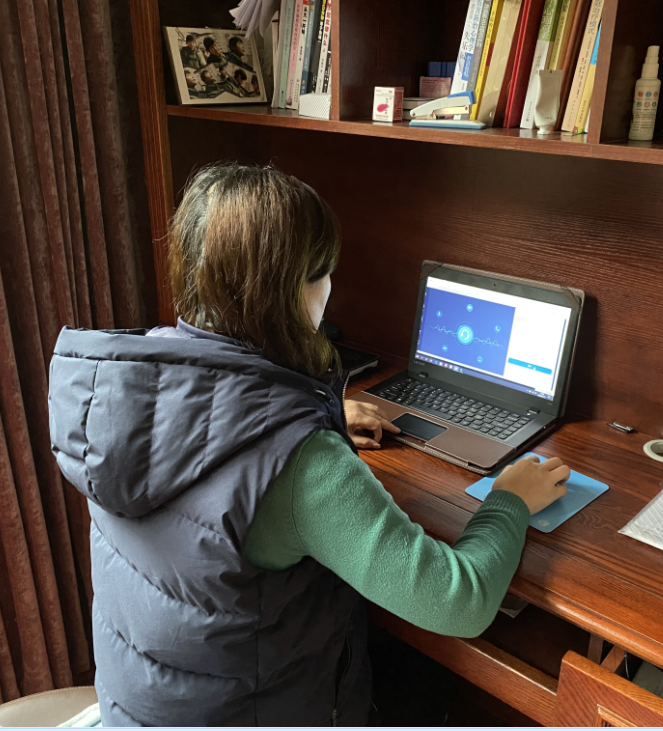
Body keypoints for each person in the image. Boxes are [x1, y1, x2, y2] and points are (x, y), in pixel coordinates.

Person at [48, 164, 570, 727]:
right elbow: (458, 603)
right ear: (287, 291)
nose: (331, 289)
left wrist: (322, 416)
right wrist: (509, 499)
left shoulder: (133, 389)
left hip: (141, 709)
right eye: (323, 273)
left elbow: (216, 439)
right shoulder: (304, 464)